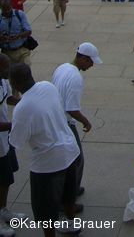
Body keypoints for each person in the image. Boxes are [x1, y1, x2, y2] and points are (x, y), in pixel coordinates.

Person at [9, 64, 81, 237]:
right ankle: (71, 224)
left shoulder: (22, 109)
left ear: (14, 84)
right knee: (69, 193)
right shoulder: (48, 87)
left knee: (46, 207)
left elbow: (17, 141)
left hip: (47, 163)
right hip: (71, 151)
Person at [52, 43, 102, 197]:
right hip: (65, 122)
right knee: (76, 159)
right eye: (90, 62)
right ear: (82, 58)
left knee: (69, 159)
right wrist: (86, 121)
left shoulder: (62, 67)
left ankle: (70, 190)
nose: (91, 65)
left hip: (55, 118)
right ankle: (68, 197)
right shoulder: (75, 78)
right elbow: (71, 109)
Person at [0, 55, 23, 234]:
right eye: (5, 67)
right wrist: (15, 125)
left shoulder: (2, 81)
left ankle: (3, 210)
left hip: (4, 140)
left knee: (7, 178)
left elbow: (8, 99)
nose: (9, 71)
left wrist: (29, 101)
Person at [0, 0, 32, 66]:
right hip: (6, 52)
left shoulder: (20, 14)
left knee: (26, 70)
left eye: (8, 9)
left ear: (11, 6)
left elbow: (28, 31)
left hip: (21, 51)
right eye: (4, 10)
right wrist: (3, 37)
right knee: (9, 74)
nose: (7, 12)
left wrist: (18, 36)